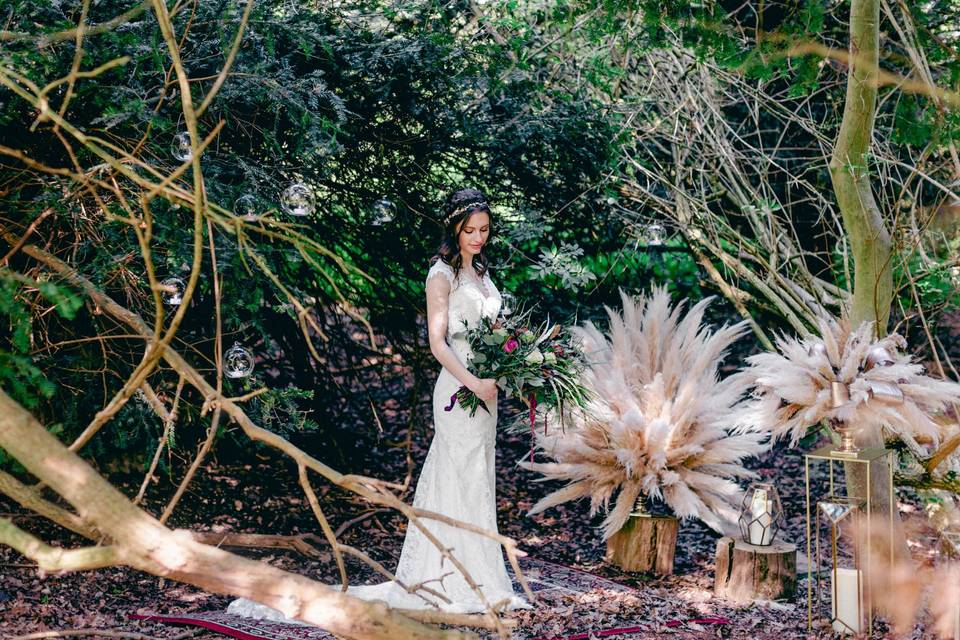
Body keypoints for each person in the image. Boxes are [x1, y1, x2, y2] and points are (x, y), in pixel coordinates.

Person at [227, 188, 530, 619]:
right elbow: (438, 343)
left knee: (479, 476)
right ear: (454, 230)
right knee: (458, 475)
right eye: (470, 231)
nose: (478, 238)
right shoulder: (440, 276)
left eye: (484, 230)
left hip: (486, 392)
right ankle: (455, 578)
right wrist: (474, 381)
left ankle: (482, 576)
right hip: (459, 389)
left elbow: (495, 330)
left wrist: (511, 360)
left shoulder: (482, 272)